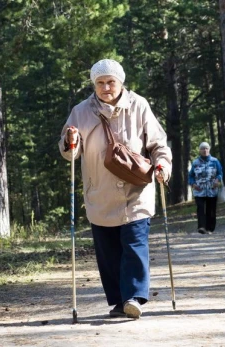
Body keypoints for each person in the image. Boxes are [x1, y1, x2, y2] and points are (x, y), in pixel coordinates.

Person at [59, 59, 172, 319]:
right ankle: (119, 301)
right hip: (99, 193)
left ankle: (134, 297)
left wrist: (163, 164)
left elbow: (158, 143)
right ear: (94, 85)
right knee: (109, 252)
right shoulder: (80, 111)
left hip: (136, 191)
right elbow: (69, 153)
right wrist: (69, 141)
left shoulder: (139, 105)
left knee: (134, 244)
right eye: (100, 83)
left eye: (111, 82)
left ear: (121, 82)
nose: (106, 87)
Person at [188, 142, 223, 234]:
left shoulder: (215, 161)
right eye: (203, 149)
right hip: (199, 191)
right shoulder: (195, 162)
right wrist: (193, 184)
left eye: (206, 148)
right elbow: (190, 176)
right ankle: (201, 227)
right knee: (200, 208)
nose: (205, 150)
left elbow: (220, 173)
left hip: (212, 190)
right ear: (199, 150)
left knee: (211, 210)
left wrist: (217, 180)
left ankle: (210, 228)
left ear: (209, 149)